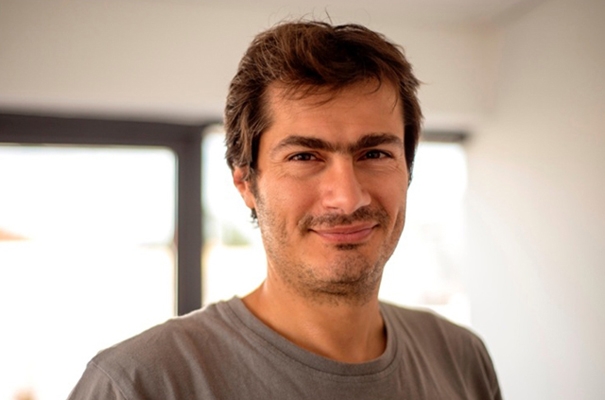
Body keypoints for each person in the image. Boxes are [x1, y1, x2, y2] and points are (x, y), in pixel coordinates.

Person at [68, 20, 502, 399]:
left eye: (374, 154)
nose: (347, 198)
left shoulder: (461, 358)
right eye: (304, 157)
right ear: (246, 183)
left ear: (407, 170)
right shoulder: (139, 384)